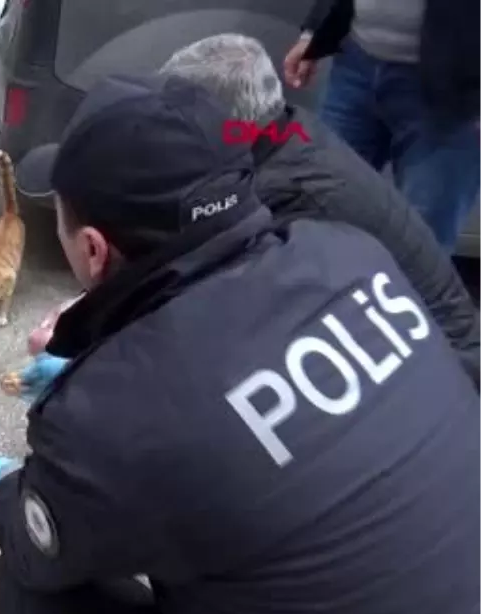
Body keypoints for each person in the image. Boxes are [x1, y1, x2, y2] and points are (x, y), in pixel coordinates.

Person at [0, 73, 481, 614]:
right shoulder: (347, 251)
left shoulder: (109, 414)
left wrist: (9, 493)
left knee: (24, 590)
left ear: (94, 250)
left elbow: (39, 552)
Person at [154, 33, 481, 388]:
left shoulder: (287, 194)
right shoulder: (292, 130)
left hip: (439, 365)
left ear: (222, 124)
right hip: (428, 337)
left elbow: (231, 304)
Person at [281, 0, 481, 250]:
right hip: (355, 67)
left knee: (421, 244)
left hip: (454, 90)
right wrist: (315, 31)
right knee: (320, 209)